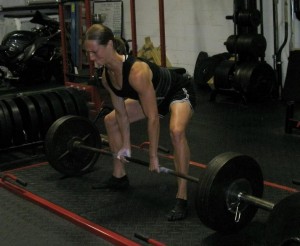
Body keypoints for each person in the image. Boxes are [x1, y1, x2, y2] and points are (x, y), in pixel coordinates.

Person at [84, 24, 196, 221]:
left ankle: (182, 195)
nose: (91, 58)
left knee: (176, 132)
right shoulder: (106, 77)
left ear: (109, 45)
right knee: (111, 121)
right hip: (152, 97)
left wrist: (153, 156)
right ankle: (119, 176)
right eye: (88, 53)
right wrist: (126, 146)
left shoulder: (137, 72)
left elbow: (153, 118)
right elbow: (120, 114)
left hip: (175, 92)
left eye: (95, 52)